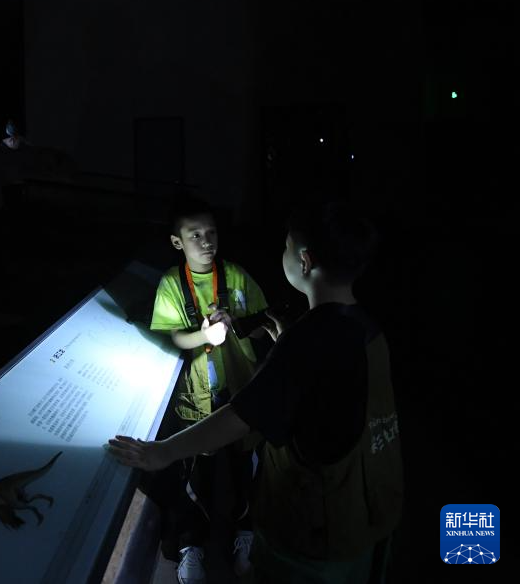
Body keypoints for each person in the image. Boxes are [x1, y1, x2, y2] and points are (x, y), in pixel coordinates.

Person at [109, 202, 403, 584]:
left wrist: (161, 451)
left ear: (304, 261)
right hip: (367, 509)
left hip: (316, 527)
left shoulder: (308, 339)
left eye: (286, 247)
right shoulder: (368, 327)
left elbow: (241, 416)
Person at [147, 194, 269, 582]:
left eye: (211, 232)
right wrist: (201, 336)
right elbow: (173, 337)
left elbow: (262, 322)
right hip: (196, 397)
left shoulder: (235, 275)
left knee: (245, 468)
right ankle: (191, 544)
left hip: (240, 390)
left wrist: (238, 323)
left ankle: (245, 534)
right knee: (193, 473)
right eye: (195, 235)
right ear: (177, 241)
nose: (206, 242)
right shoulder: (172, 283)